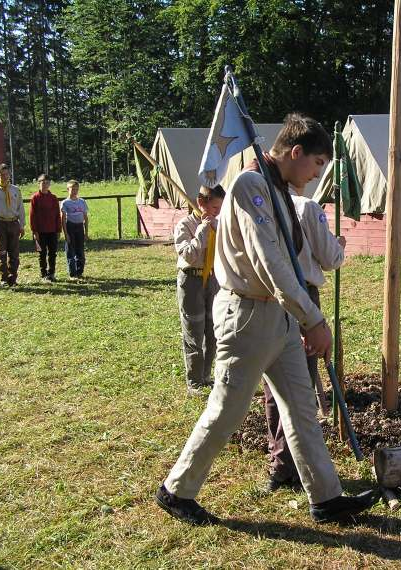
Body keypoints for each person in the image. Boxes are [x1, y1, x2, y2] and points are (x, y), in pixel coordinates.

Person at [155, 113, 377, 526]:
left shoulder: (277, 188)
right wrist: (313, 318)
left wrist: (302, 317)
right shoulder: (251, 185)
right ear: (295, 152)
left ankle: (326, 497)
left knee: (301, 406)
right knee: (227, 410)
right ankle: (176, 490)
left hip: (279, 318)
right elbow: (270, 261)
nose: (315, 176)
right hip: (248, 316)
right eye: (315, 165)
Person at [263, 185, 346, 492]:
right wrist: (339, 245)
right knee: (299, 381)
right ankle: (289, 465)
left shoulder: (264, 202)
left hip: (268, 297)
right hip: (301, 296)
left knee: (274, 383)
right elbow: (330, 258)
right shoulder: (307, 207)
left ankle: (280, 459)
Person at [173, 184, 225, 396]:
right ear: (200, 202)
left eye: (220, 208)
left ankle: (205, 376)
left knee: (212, 329)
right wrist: (203, 230)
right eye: (214, 207)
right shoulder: (185, 225)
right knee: (194, 329)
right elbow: (189, 255)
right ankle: (194, 381)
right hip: (191, 280)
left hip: (212, 279)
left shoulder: (218, 224)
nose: (217, 212)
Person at [0, 164, 25, 286]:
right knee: (1, 252)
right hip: (0, 224)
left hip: (13, 223)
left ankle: (12, 278)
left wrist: (22, 225)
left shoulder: (16, 190)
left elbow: (21, 209)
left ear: (9, 175)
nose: (4, 176)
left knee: (14, 253)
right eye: (1, 174)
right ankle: (4, 278)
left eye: (6, 174)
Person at [29, 174, 62, 282]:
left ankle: (51, 273)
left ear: (49, 184)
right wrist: (34, 231)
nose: (45, 185)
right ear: (39, 184)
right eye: (43, 182)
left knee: (52, 253)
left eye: (47, 183)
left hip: (52, 230)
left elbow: (58, 215)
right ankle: (43, 274)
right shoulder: (35, 198)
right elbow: (32, 215)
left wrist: (58, 230)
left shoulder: (53, 198)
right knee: (42, 254)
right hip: (40, 232)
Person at [61, 180, 89, 279]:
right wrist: (66, 234)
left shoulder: (82, 202)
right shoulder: (65, 203)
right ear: (68, 190)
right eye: (72, 189)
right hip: (70, 227)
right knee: (70, 251)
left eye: (77, 189)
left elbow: (85, 218)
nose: (75, 191)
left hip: (80, 227)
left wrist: (86, 232)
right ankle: (72, 274)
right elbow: (63, 219)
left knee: (80, 251)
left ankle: (79, 272)